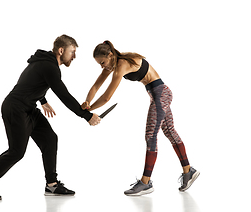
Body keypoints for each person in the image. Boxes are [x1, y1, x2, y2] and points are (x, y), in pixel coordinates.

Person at [0, 35, 101, 200]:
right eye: (72, 52)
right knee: (16, 152)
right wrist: (86, 115)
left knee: (50, 139)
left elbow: (32, 81)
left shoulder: (44, 63)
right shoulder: (50, 66)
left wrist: (43, 100)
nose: (74, 56)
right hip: (15, 108)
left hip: (28, 108)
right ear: (61, 50)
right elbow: (63, 94)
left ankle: (52, 185)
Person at [82, 40, 199, 196]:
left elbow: (106, 97)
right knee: (170, 131)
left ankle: (145, 183)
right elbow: (96, 86)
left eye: (102, 62)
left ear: (110, 55)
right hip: (158, 94)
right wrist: (87, 102)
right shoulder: (114, 65)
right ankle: (188, 171)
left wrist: (89, 110)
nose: (102, 67)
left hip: (161, 94)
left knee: (151, 136)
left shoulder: (122, 64)